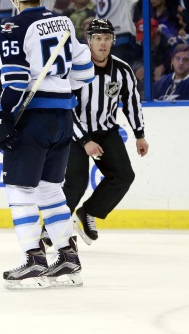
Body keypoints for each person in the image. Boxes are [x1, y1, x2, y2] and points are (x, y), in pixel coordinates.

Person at [0, 0, 94, 289]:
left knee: (20, 189)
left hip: (33, 118)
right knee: (50, 189)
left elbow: (17, 82)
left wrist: (4, 116)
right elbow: (86, 71)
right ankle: (67, 256)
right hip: (63, 117)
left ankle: (34, 259)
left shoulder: (11, 26)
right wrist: (60, 87)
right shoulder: (63, 21)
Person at [62, 19, 148, 245]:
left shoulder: (122, 69)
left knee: (123, 176)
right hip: (76, 134)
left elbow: (132, 102)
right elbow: (65, 109)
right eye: (98, 38)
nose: (103, 43)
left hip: (106, 131)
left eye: (107, 38)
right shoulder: (75, 69)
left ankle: (88, 212)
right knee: (75, 184)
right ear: (89, 41)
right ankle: (50, 230)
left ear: (113, 40)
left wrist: (139, 134)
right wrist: (85, 141)